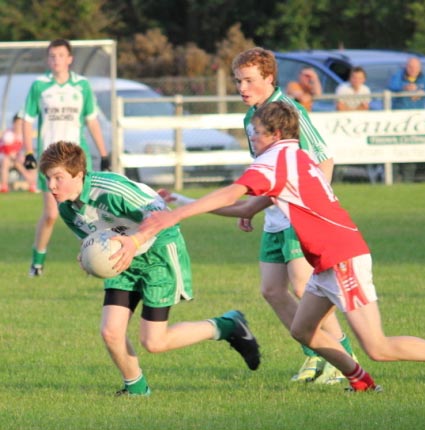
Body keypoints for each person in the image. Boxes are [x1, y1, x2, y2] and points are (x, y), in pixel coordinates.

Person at [138, 101, 425, 392]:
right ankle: (361, 382)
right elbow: (245, 208)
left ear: (274, 134)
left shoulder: (275, 159)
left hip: (342, 258)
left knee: (378, 347)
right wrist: (181, 203)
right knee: (303, 330)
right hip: (326, 261)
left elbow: (232, 194)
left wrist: (175, 216)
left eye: (255, 133)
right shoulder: (293, 157)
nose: (252, 139)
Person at [38, 141, 261, 396]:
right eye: (48, 178)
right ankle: (136, 389)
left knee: (154, 342)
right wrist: (87, 254)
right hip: (123, 256)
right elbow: (90, 237)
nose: (52, 186)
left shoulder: (113, 189)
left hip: (158, 250)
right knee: (111, 332)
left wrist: (135, 242)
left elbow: (159, 213)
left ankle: (227, 325)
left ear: (79, 174)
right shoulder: (67, 207)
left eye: (58, 178)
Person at [228, 47, 356, 384]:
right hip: (273, 213)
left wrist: (309, 206)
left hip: (299, 214)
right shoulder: (250, 116)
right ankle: (314, 355)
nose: (242, 87)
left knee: (304, 286)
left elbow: (324, 158)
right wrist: (252, 204)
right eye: (238, 80)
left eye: (249, 80)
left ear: (270, 78)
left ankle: (342, 357)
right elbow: (268, 166)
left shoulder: (291, 110)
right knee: (271, 290)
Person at [22, 38, 110, 277]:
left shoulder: (81, 86)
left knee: (88, 212)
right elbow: (27, 120)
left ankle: (100, 259)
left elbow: (91, 119)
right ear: (47, 59)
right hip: (50, 161)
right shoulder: (39, 86)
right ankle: (37, 262)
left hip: (75, 161)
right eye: (52, 56)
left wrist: (104, 153)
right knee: (52, 214)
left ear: (70, 59)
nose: (57, 60)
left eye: (61, 55)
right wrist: (28, 152)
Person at [388, 57, 425, 182]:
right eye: (410, 67)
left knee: (411, 149)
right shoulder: (398, 76)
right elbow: (392, 86)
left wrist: (422, 91)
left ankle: (408, 179)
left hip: (415, 121)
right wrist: (405, 87)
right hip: (398, 121)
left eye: (416, 67)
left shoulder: (424, 78)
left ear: (420, 68)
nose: (413, 70)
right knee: (395, 148)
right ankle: (393, 177)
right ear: (406, 67)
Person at [335, 67, 383, 183]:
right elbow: (340, 108)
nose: (356, 80)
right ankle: (336, 179)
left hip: (359, 127)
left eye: (359, 78)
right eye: (354, 77)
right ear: (350, 78)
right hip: (342, 127)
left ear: (364, 79)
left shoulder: (365, 90)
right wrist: (355, 110)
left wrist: (350, 110)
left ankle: (373, 178)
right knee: (340, 153)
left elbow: (365, 108)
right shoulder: (342, 89)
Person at [0, 113, 36, 193]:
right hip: (5, 158)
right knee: (6, 162)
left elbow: (28, 150)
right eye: (18, 123)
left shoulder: (23, 135)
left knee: (31, 162)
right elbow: (9, 153)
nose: (19, 126)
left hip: (17, 159)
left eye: (21, 124)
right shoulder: (9, 134)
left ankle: (32, 185)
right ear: (14, 123)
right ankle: (4, 186)